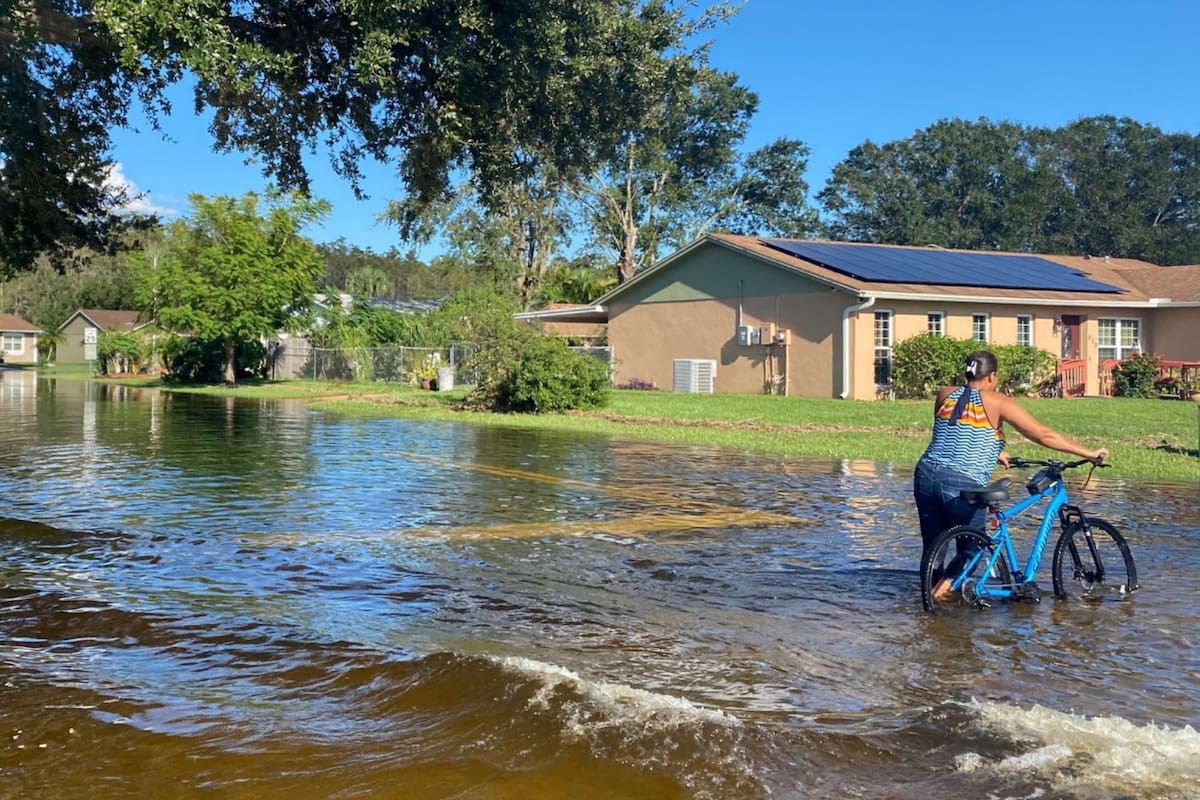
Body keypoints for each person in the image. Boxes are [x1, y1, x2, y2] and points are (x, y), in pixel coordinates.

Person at [913, 349, 1108, 600]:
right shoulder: (998, 401)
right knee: (974, 548)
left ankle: (925, 604)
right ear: (992, 376)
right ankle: (938, 598)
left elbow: (952, 431)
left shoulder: (945, 394)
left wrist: (996, 451)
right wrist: (1089, 453)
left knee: (933, 547)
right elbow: (1042, 435)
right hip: (961, 480)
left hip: (925, 474)